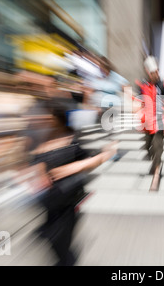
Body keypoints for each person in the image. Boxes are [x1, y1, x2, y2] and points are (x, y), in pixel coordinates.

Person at [30, 104, 117, 266]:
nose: (42, 121)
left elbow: (97, 159)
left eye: (48, 118)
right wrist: (40, 175)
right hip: (50, 204)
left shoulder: (71, 140)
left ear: (57, 119)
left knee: (61, 247)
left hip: (67, 204)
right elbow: (37, 164)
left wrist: (72, 168)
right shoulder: (41, 142)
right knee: (53, 242)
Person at [135, 56, 164, 191]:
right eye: (152, 72)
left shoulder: (163, 85)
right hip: (147, 123)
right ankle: (154, 162)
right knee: (147, 148)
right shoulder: (142, 85)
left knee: (158, 148)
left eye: (156, 71)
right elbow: (140, 102)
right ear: (147, 72)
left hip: (160, 123)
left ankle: (156, 176)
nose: (156, 74)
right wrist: (138, 114)